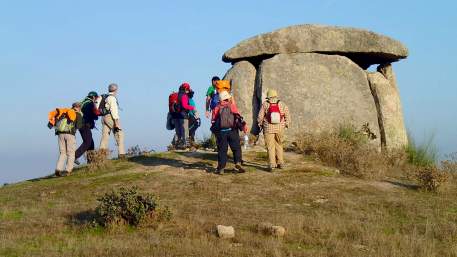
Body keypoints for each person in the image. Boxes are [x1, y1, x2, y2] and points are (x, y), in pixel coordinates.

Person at [211, 91, 247, 174]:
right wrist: (243, 126)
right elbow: (238, 117)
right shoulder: (231, 106)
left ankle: (221, 168)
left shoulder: (217, 108)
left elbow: (213, 120)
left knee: (222, 150)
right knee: (236, 148)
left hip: (221, 132)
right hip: (232, 130)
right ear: (227, 98)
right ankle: (237, 163)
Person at [257, 89, 291, 172]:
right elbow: (287, 115)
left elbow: (260, 116)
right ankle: (281, 163)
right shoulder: (282, 104)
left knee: (270, 147)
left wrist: (260, 124)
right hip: (280, 128)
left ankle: (272, 164)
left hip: (268, 128)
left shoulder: (265, 104)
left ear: (268, 96)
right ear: (276, 95)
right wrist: (286, 124)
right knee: (279, 145)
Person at [48, 102, 83, 177]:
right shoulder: (77, 114)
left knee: (63, 153)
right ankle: (68, 170)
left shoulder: (64, 113)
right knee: (71, 153)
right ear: (79, 107)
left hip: (60, 134)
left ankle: (58, 169)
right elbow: (79, 126)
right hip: (70, 134)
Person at [99, 83, 126, 158]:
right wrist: (116, 122)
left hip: (103, 117)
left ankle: (101, 155)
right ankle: (121, 153)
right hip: (110, 117)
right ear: (116, 90)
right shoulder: (112, 98)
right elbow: (114, 111)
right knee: (119, 134)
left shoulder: (105, 97)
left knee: (105, 136)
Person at [75, 91, 99, 165]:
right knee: (87, 142)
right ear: (94, 97)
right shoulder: (90, 103)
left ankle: (91, 161)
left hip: (80, 124)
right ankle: (75, 156)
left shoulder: (83, 102)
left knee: (91, 143)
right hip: (85, 124)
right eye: (96, 98)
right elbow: (93, 115)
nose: (96, 100)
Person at [171, 83, 195, 149]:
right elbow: (185, 105)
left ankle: (176, 145)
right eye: (188, 89)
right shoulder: (184, 96)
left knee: (178, 131)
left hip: (176, 115)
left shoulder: (178, 94)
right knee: (185, 131)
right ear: (185, 89)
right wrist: (192, 108)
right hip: (183, 115)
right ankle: (186, 145)